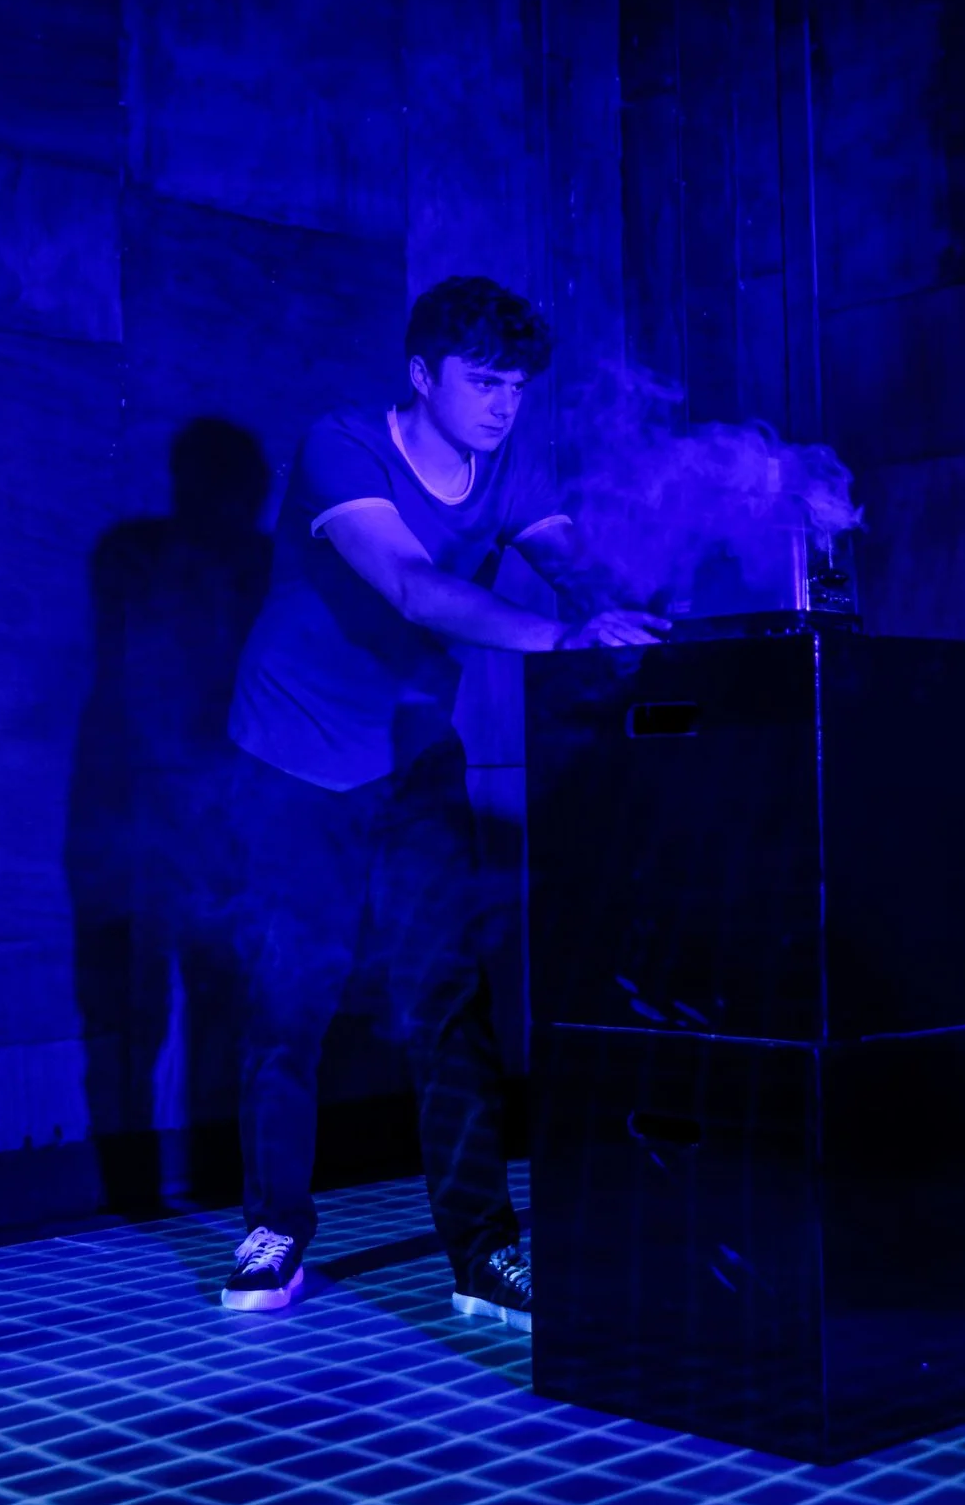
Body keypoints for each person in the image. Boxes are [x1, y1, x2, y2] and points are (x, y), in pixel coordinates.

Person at [218, 276, 665, 1326]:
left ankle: (483, 1252)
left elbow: (579, 573)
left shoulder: (510, 469)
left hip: (414, 755)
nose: (503, 404)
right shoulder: (341, 447)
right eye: (482, 380)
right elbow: (416, 589)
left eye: (516, 385)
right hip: (292, 757)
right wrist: (565, 640)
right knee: (289, 999)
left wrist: (642, 620)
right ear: (422, 375)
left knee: (449, 1001)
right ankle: (273, 1230)